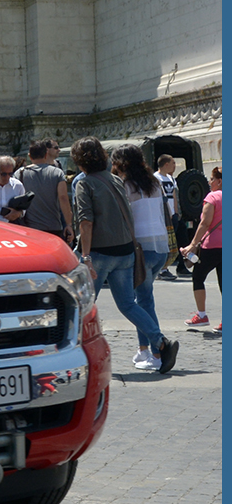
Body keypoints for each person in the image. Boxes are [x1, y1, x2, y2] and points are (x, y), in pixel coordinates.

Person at [72, 136, 178, 373]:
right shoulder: (116, 180)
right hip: (126, 251)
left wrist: (86, 257)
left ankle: (76, 353)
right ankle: (161, 342)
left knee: (83, 304)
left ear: (79, 161)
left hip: (100, 252)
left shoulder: (85, 183)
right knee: (129, 304)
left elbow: (86, 222)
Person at [111, 145, 172, 370]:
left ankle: (156, 352)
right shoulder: (154, 182)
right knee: (144, 298)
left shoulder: (125, 185)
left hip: (142, 247)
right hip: (160, 245)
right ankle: (144, 350)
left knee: (143, 301)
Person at [180, 167, 222, 331]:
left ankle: (202, 315)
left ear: (219, 181)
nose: (210, 182)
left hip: (212, 245)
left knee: (198, 276)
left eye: (212, 179)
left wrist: (192, 244)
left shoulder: (212, 197)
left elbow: (205, 224)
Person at [15, 139, 74, 243]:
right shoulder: (57, 173)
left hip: (29, 228)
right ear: (46, 154)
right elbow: (63, 198)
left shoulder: (20, 173)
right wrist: (68, 224)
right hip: (53, 226)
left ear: (30, 156)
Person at [153, 154, 182, 281]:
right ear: (166, 164)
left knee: (171, 243)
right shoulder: (155, 178)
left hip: (172, 215)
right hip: (162, 215)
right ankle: (161, 269)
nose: (175, 166)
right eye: (173, 163)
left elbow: (174, 196)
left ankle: (165, 267)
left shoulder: (171, 178)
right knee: (163, 243)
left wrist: (176, 212)